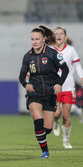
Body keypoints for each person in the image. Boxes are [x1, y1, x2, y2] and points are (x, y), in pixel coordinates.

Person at [19, 25, 69, 159]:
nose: (34, 42)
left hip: (50, 94)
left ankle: (42, 133)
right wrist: (26, 84)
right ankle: (45, 152)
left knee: (47, 129)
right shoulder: (27, 57)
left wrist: (59, 83)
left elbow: (65, 69)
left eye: (37, 39)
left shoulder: (52, 54)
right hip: (34, 93)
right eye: (32, 39)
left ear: (44, 39)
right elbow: (21, 76)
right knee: (37, 120)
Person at [52, 27, 83, 149]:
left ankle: (66, 140)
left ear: (65, 37)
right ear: (54, 37)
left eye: (61, 34)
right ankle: (55, 122)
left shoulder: (71, 50)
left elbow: (77, 66)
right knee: (56, 114)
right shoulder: (50, 50)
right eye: (56, 34)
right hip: (54, 86)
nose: (59, 36)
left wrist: (81, 76)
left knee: (66, 115)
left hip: (68, 87)